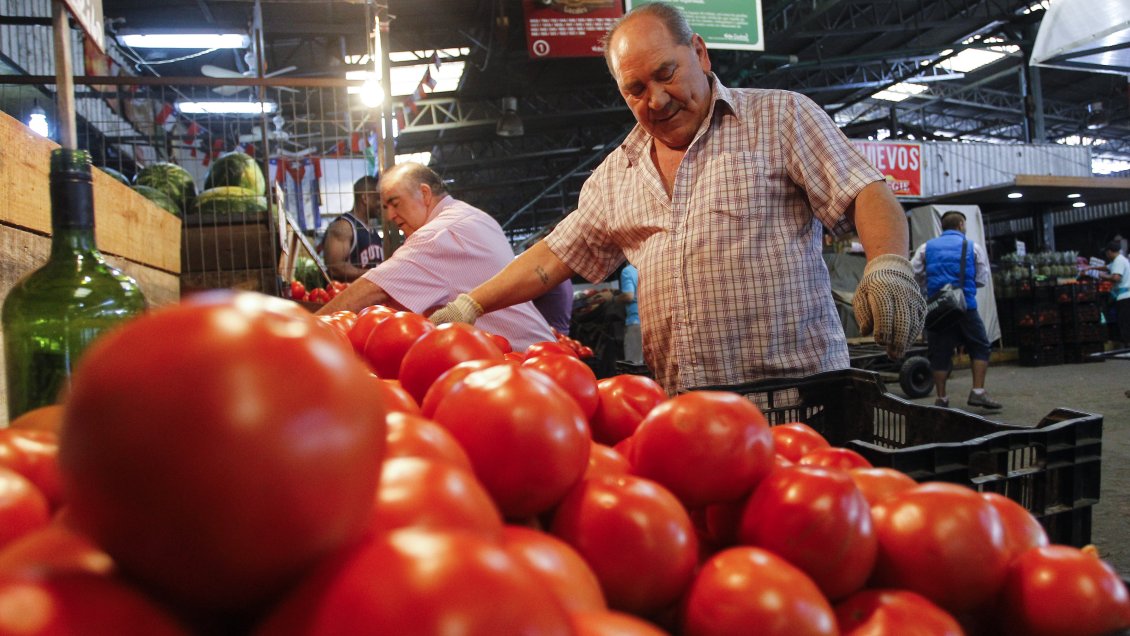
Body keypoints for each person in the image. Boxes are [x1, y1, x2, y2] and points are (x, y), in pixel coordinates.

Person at [428, 2, 924, 395]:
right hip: (687, 415)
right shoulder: (615, 176)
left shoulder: (781, 119)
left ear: (701, 54)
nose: (657, 100)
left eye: (667, 73)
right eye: (636, 89)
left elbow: (864, 191)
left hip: (803, 398)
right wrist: (472, 303)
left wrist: (887, 264)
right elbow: (552, 257)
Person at [315, 163, 554, 350]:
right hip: (534, 353)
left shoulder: (439, 233)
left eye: (394, 203)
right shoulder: (472, 216)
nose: (389, 215)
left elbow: (373, 288)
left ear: (425, 194)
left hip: (520, 361)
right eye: (385, 207)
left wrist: (308, 328)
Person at [910, 210, 1000, 410]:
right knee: (980, 346)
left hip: (937, 309)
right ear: (960, 225)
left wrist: (930, 288)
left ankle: (941, 398)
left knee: (939, 353)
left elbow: (913, 273)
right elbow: (982, 279)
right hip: (965, 306)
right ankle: (978, 392)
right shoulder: (971, 247)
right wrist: (964, 288)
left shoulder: (926, 247)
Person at [322, 176, 383, 282]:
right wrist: (375, 275)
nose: (381, 204)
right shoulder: (343, 226)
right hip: (351, 294)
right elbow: (335, 268)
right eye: (378, 199)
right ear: (365, 198)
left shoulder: (371, 230)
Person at [1096, 239, 1130, 345]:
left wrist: (1103, 276)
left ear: (1109, 252)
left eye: (1107, 253)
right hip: (1125, 296)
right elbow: (1107, 267)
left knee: (1125, 323)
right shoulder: (1120, 260)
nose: (1107, 255)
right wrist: (1090, 268)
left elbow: (1116, 278)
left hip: (1124, 297)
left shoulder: (1118, 261)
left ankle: (1128, 346)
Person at [617, 264, 643, 364]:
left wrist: (613, 298)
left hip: (635, 322)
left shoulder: (628, 271)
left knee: (634, 365)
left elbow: (629, 296)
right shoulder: (647, 267)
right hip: (651, 321)